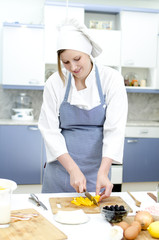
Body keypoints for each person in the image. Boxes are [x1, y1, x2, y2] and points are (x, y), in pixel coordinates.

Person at [38, 18, 128, 200]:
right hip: (61, 168)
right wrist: (72, 169)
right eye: (66, 62)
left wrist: (103, 172)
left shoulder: (111, 79)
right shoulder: (55, 82)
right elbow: (49, 129)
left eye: (77, 59)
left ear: (88, 52)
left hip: (98, 169)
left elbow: (115, 130)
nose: (73, 67)